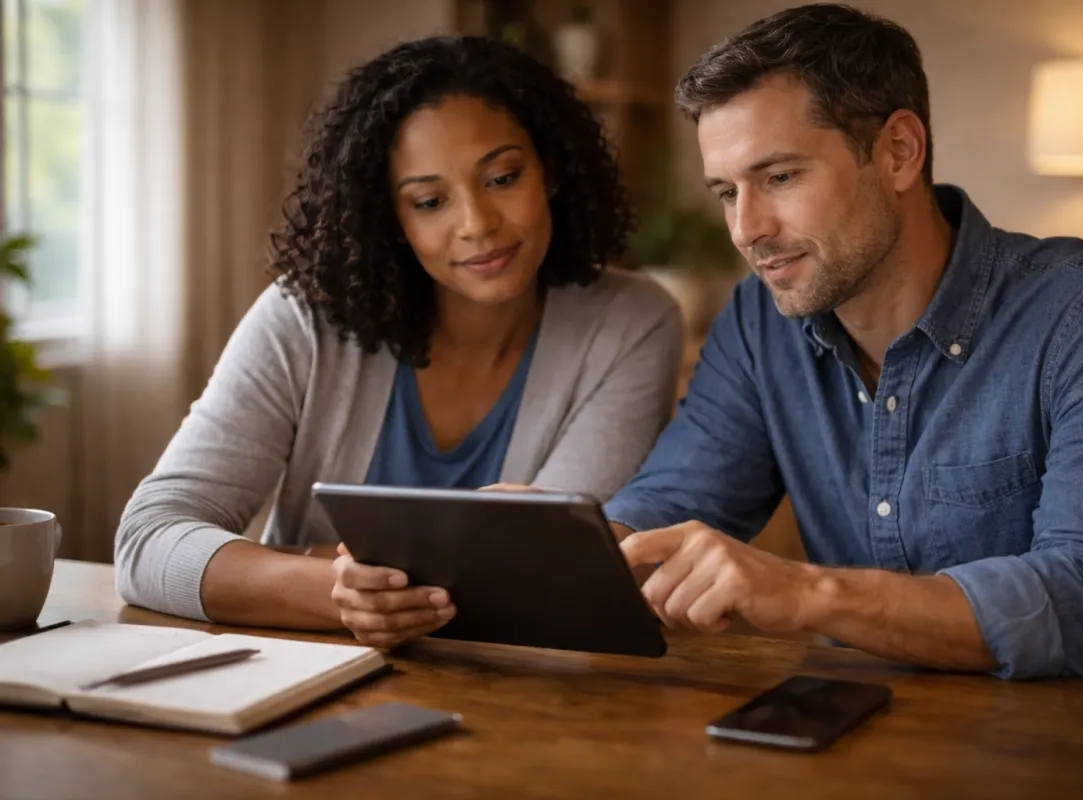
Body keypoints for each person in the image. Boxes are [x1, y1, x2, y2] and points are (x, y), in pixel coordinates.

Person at [595, 4, 1083, 689]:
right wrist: (521, 556)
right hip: (865, 738)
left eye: (780, 177)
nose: (746, 228)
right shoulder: (759, 324)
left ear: (898, 152)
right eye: (727, 191)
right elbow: (666, 509)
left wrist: (807, 594)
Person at [114, 35, 683, 648]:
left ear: (551, 170)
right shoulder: (305, 319)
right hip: (308, 686)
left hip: (528, 702)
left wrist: (301, 555)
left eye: (502, 177)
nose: (476, 224)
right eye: (430, 201)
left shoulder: (632, 321)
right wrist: (335, 593)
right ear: (392, 220)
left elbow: (553, 575)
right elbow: (148, 541)